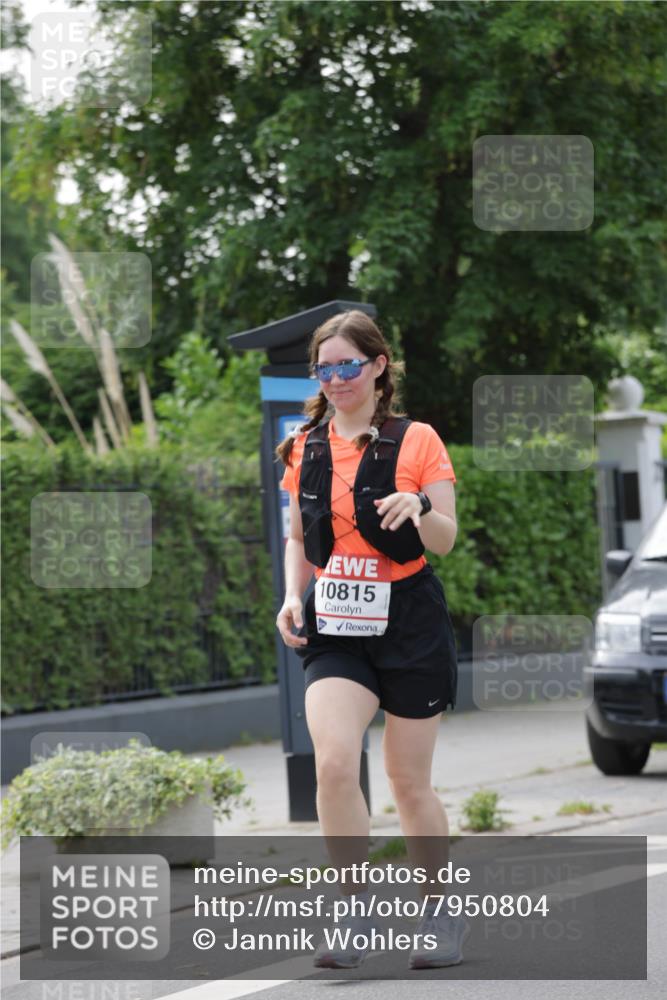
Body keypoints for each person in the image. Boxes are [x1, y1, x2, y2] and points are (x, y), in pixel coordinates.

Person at [275, 309, 470, 971]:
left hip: (408, 617)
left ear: (377, 366)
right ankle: (352, 909)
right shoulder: (304, 446)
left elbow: (446, 536)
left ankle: (438, 910)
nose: (335, 378)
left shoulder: (415, 441)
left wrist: (418, 509)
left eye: (347, 365)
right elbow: (298, 537)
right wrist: (289, 594)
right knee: (333, 760)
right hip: (336, 624)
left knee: (407, 781)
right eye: (324, 368)